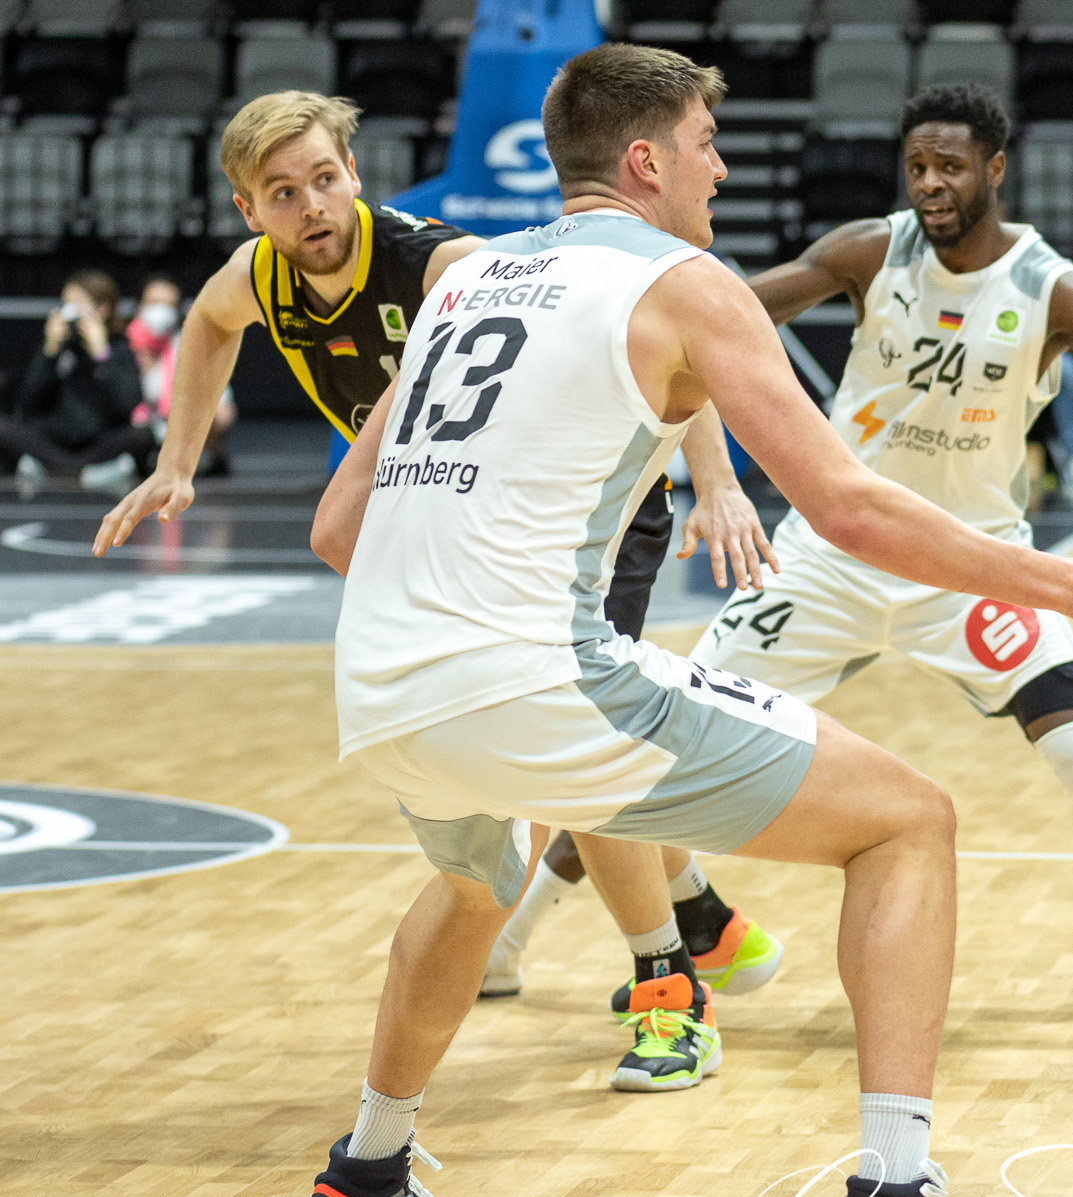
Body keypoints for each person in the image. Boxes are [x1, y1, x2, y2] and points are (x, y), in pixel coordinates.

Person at [284, 45, 1073, 1197]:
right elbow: (845, 506)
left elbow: (338, 529)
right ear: (646, 160)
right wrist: (1067, 584)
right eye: (704, 143)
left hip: (382, 686)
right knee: (907, 821)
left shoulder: (460, 278)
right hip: (536, 676)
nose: (720, 167)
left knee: (469, 884)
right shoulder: (684, 284)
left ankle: (366, 1172)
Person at [481, 82, 1073, 1001]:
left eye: (950, 167)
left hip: (975, 565)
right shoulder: (867, 249)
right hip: (828, 562)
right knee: (649, 749)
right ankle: (508, 944)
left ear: (995, 169)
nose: (929, 183)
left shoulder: (1059, 289)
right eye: (916, 166)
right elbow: (709, 316)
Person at [92, 89, 776, 1097]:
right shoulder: (258, 277)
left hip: (585, 515)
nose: (312, 206)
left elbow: (657, 333)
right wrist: (176, 460)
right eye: (283, 193)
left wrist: (714, 479)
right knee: (524, 745)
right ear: (249, 210)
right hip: (459, 529)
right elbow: (205, 323)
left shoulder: (445, 264)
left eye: (326, 179)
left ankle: (671, 983)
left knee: (577, 748)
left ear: (355, 176)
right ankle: (701, 916)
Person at [2, 270, 153, 496]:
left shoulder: (119, 348)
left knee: (143, 436)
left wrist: (102, 354)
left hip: (99, 443)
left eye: (76, 306)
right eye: (65, 305)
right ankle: (77, 473)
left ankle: (58, 472)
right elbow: (27, 403)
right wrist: (49, 353)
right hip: (54, 442)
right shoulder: (57, 348)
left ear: (102, 309)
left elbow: (127, 403)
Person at [127, 276, 237, 474]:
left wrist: (217, 407)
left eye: (168, 304)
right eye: (154, 303)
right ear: (140, 306)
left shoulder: (190, 343)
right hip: (138, 430)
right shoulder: (125, 345)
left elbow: (221, 400)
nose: (160, 310)